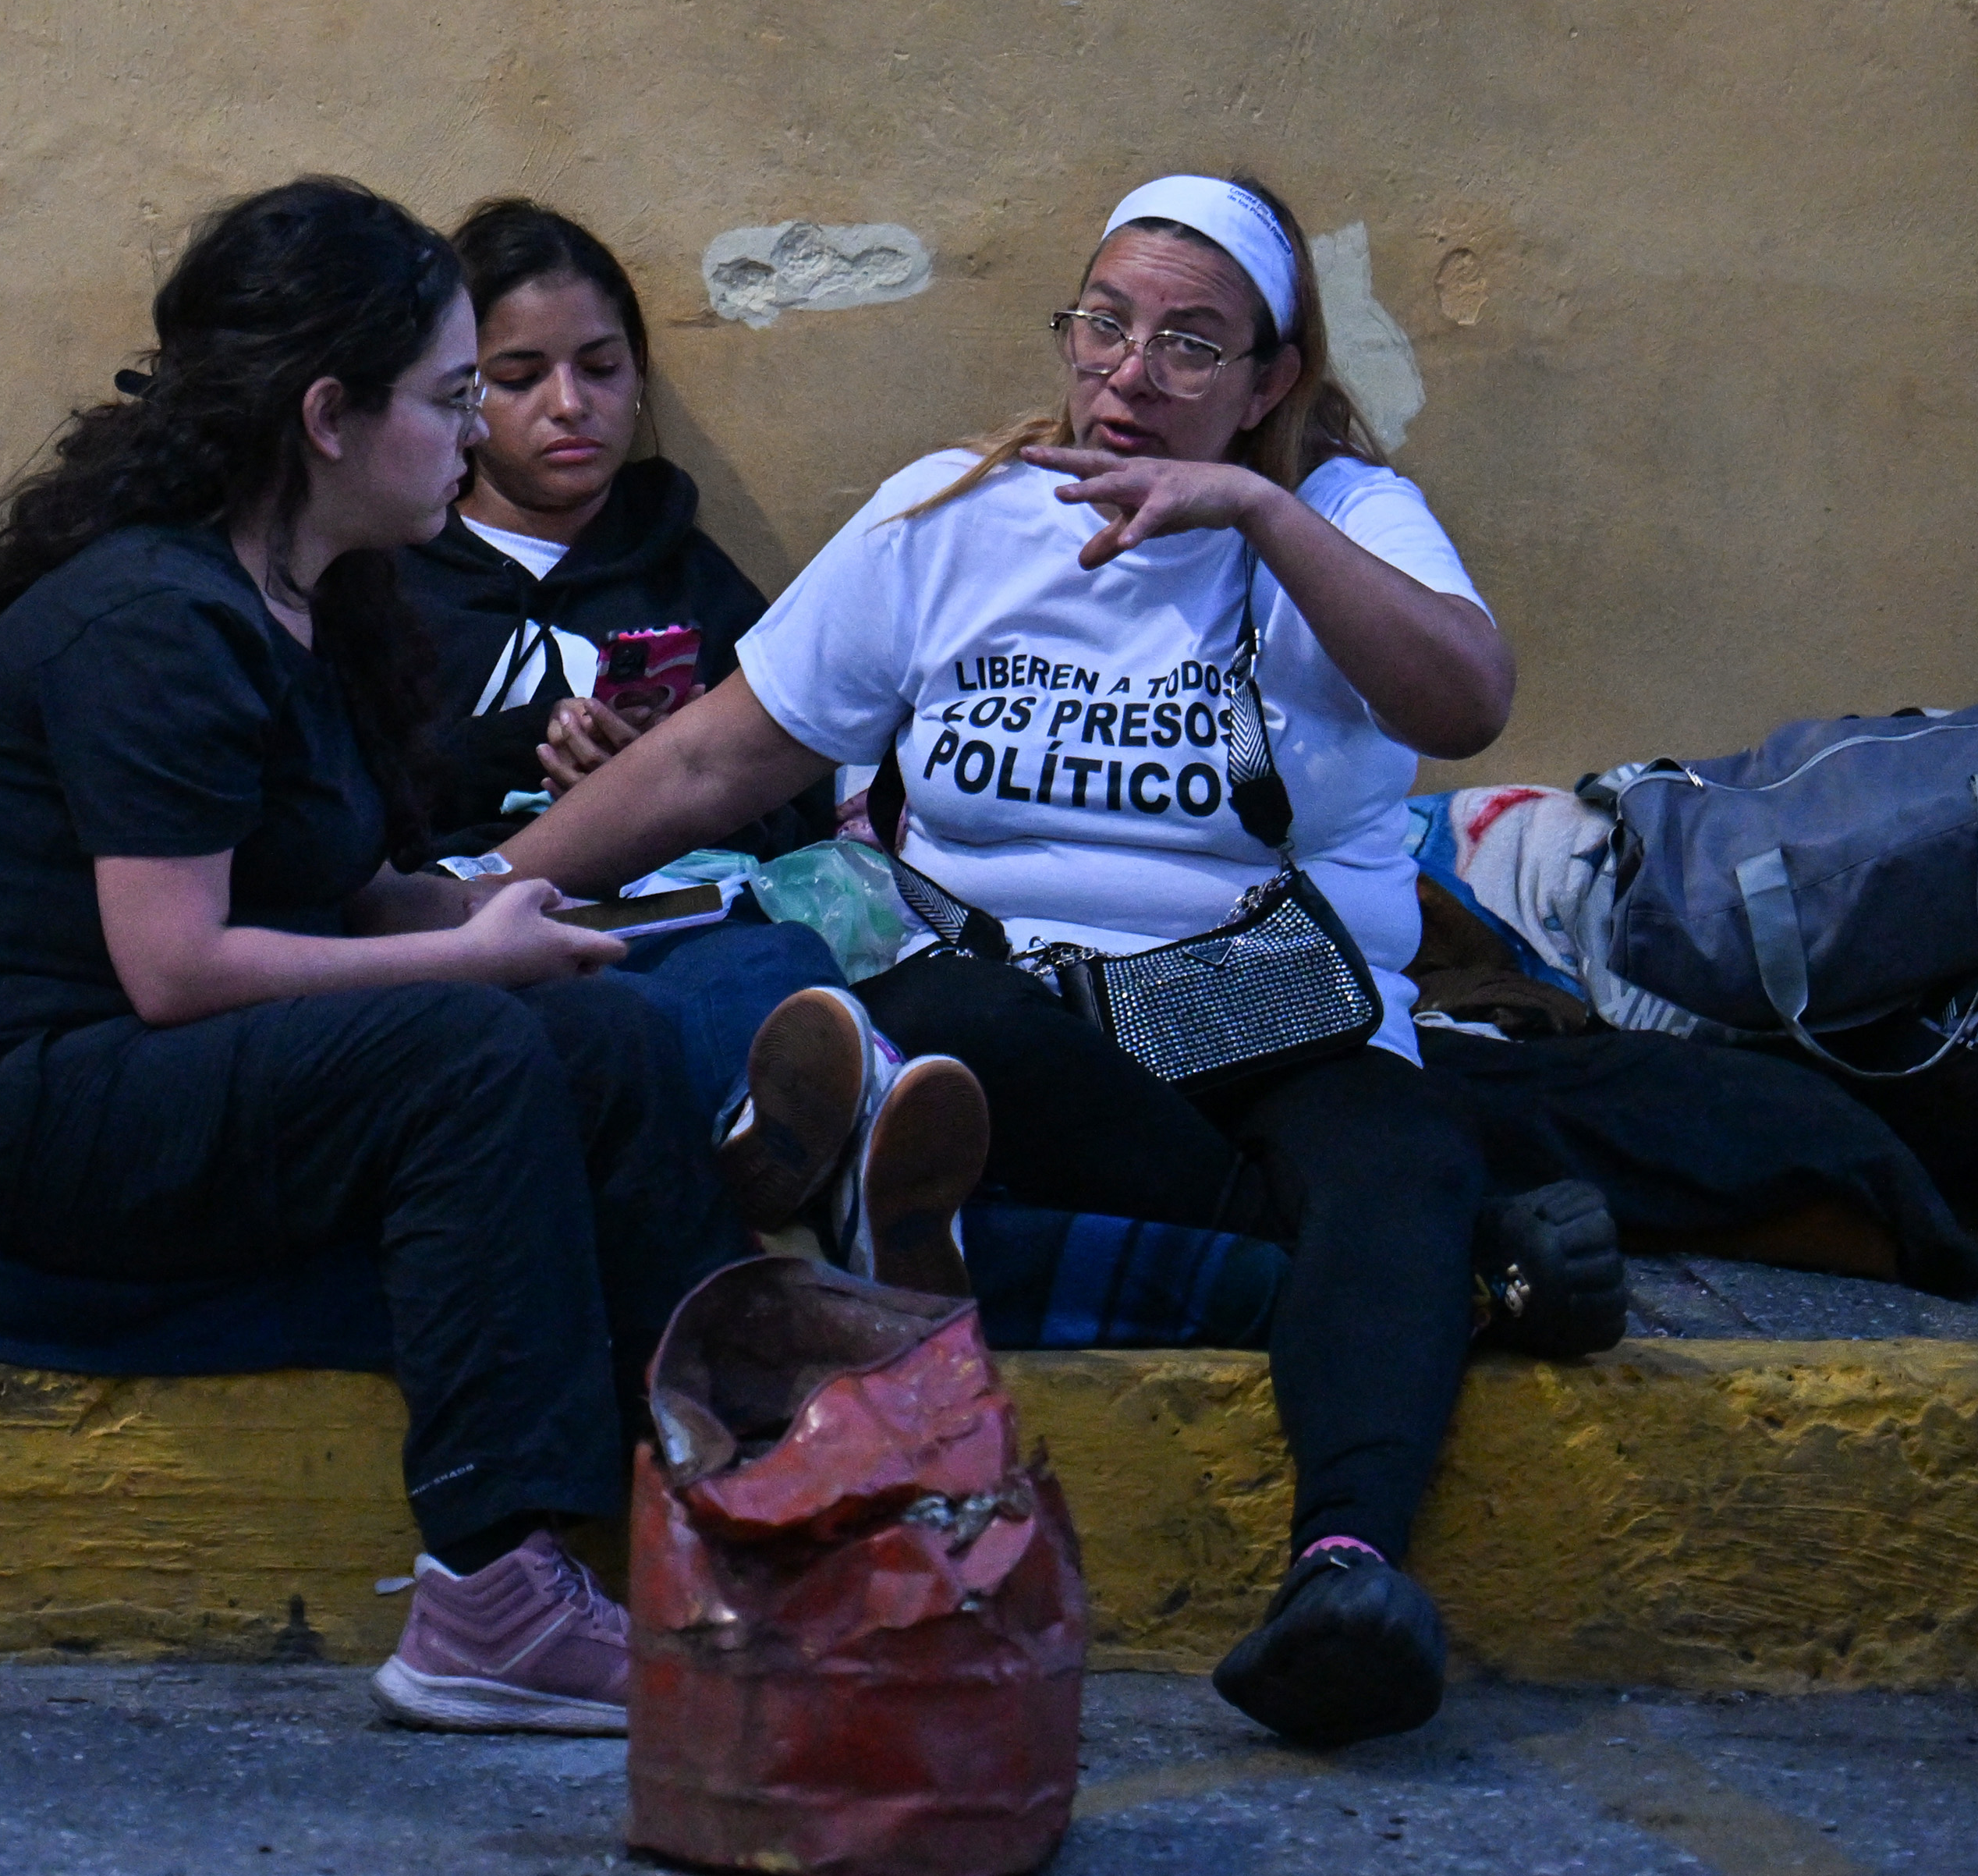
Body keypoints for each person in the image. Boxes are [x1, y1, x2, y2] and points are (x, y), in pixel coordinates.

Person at [0, 179, 977, 1739]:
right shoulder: (153, 620)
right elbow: (172, 968)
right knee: (465, 1053)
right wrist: (464, 973)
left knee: (605, 1029)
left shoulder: (318, 594)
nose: (471, 432)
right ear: (327, 416)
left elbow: (350, 892)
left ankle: (737, 1482)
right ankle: (488, 1594)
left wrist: (510, 926)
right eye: (449, 397)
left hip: (147, 1055)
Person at [504, 174, 1621, 1750]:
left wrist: (1258, 513)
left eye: (1189, 343)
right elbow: (709, 761)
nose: (1127, 372)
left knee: (1399, 1146)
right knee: (926, 1015)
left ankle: (1345, 1574)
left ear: (1268, 378)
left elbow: (1464, 699)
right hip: (1032, 1038)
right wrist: (478, 895)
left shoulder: (1345, 517)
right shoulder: (953, 516)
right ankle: (1404, 1267)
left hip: (1282, 1031)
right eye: (1102, 323)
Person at [395, 200, 831, 860]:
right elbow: (333, 806)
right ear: (459, 392)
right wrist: (524, 744)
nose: (570, 405)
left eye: (600, 369)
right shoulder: (391, 577)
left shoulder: (693, 582)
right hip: (447, 910)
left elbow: (802, 821)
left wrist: (674, 780)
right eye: (519, 378)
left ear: (638, 372)